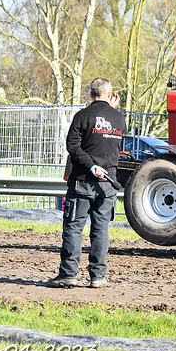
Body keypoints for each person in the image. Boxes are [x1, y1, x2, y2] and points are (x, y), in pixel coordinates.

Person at [47, 77, 127, 288]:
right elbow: (112, 143)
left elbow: (72, 147)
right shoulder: (119, 119)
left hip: (83, 182)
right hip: (108, 184)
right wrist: (112, 109)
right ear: (109, 94)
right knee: (101, 230)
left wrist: (91, 166)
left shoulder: (82, 116)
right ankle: (97, 277)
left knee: (73, 228)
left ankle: (68, 274)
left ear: (91, 94)